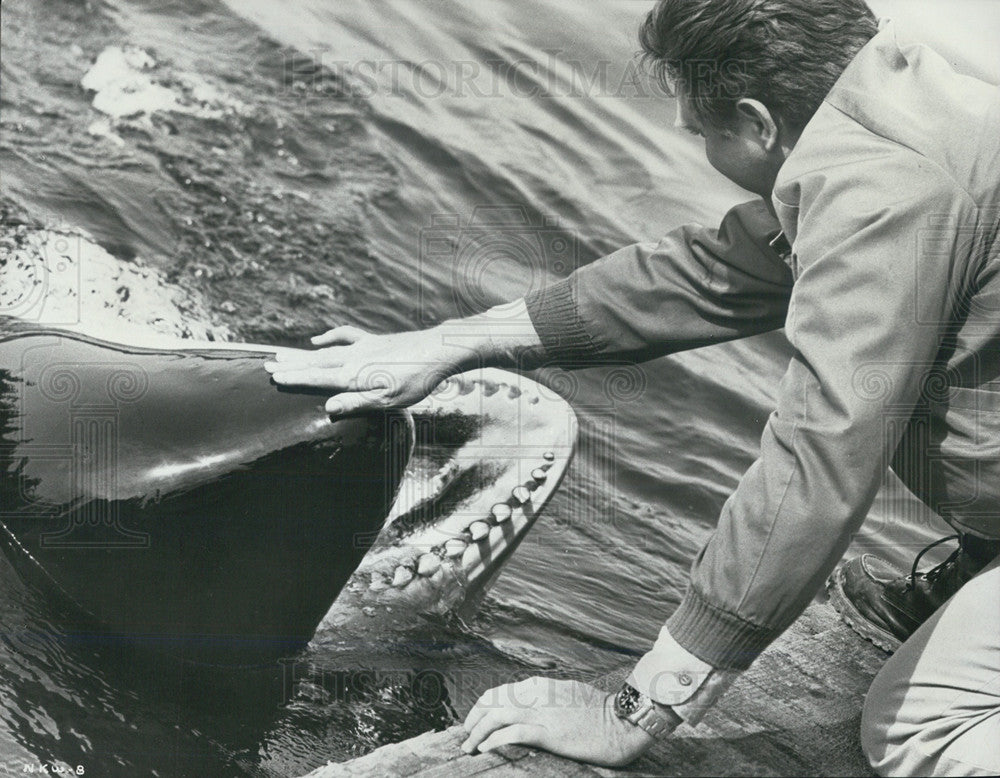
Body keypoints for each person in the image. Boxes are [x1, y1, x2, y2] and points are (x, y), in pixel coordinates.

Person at [265, 0, 1000, 774]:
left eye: (701, 131)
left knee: (921, 727)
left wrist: (637, 709)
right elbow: (714, 274)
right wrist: (451, 343)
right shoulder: (895, 100)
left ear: (754, 123)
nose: (696, 143)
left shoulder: (885, 186)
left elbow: (820, 460)